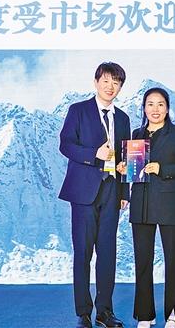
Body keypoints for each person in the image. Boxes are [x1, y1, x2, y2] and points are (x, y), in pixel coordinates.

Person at [59, 62, 130, 328]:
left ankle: (104, 312)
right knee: (83, 253)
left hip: (112, 191)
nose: (111, 87)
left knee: (108, 254)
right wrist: (94, 155)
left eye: (116, 83)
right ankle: (83, 313)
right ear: (96, 82)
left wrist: (124, 191)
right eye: (106, 81)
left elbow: (125, 158)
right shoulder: (78, 111)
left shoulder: (123, 118)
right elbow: (65, 145)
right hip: (83, 191)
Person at [118, 87, 175, 328]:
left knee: (173, 260)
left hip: (169, 205)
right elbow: (133, 171)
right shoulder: (137, 134)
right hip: (141, 204)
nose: (155, 109)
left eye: (161, 104)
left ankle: (174, 315)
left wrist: (162, 169)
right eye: (150, 104)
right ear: (143, 108)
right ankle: (145, 315)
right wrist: (124, 169)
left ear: (168, 108)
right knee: (142, 262)